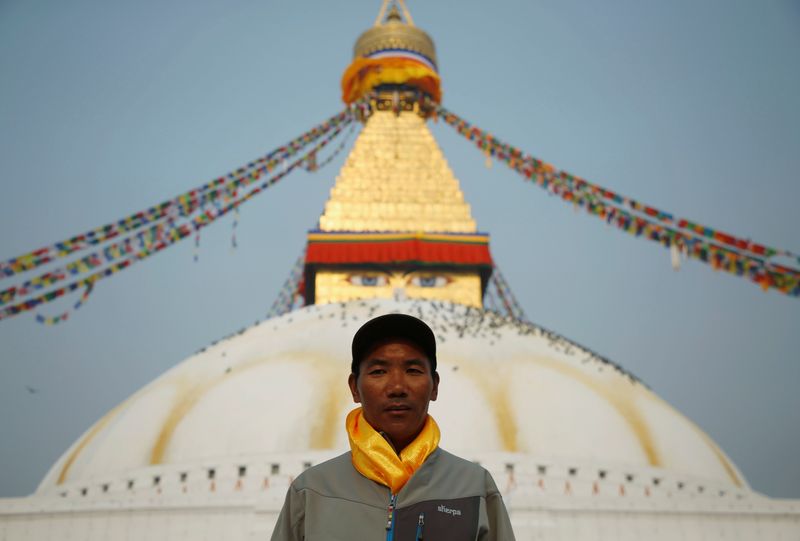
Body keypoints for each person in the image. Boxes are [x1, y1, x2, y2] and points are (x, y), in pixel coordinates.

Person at [270, 313, 516, 540]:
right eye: (378, 371)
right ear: (355, 387)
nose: (397, 387)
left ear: (434, 386)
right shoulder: (313, 492)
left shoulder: (473, 489)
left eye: (413, 370)